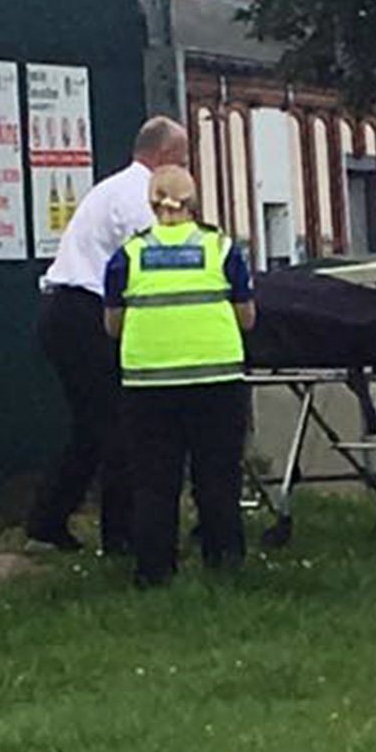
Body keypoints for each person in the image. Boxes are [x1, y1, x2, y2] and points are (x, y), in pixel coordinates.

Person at [29, 116, 191, 552]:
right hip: (85, 313)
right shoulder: (141, 195)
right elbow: (154, 260)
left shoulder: (113, 188)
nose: (185, 171)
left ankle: (48, 521)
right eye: (181, 159)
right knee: (122, 426)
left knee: (92, 426)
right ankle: (121, 536)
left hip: (65, 311)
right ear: (161, 156)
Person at [103, 166, 257, 588]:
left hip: (148, 385)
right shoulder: (222, 250)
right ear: (193, 201)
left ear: (152, 203)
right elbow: (246, 317)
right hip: (216, 380)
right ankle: (223, 563)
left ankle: (154, 570)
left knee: (154, 482)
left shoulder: (127, 255)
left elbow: (112, 326)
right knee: (218, 476)